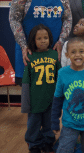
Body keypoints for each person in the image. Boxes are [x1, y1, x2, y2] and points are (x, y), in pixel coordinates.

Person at [9, 0, 71, 85]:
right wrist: (24, 46)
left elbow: (67, 19)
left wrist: (60, 41)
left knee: (53, 94)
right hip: (29, 53)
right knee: (29, 96)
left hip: (53, 52)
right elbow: (14, 19)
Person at [21, 24, 61, 153]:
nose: (43, 40)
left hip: (51, 98)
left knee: (49, 124)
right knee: (33, 125)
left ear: (50, 39)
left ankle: (48, 142)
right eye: (39, 38)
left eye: (45, 37)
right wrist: (25, 103)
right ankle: (34, 144)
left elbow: (60, 77)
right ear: (33, 40)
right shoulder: (30, 57)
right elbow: (26, 82)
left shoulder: (55, 55)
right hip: (35, 100)